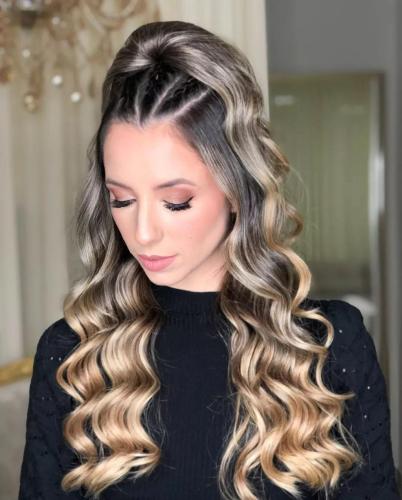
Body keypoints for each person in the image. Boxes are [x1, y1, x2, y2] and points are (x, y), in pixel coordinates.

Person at [18, 20, 400, 500]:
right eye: (122, 200)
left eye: (176, 202)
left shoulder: (330, 348)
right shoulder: (73, 357)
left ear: (237, 189)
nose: (143, 232)